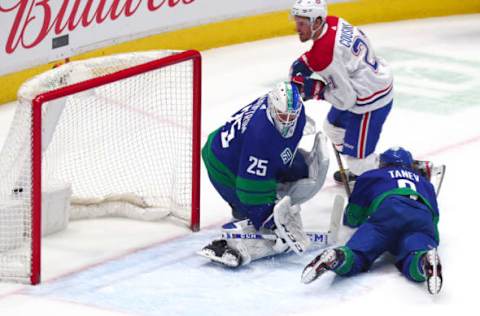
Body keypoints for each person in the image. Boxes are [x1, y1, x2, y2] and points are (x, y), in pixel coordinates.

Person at [199, 82, 330, 267]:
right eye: (283, 116)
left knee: (299, 170)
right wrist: (270, 221)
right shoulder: (260, 138)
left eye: (292, 116)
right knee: (251, 211)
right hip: (222, 164)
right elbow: (250, 190)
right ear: (272, 108)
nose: (288, 121)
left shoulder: (287, 108)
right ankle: (239, 222)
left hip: (245, 150)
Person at [301, 147, 443, 295]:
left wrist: (357, 219)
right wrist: (430, 239)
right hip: (421, 216)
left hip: (387, 213)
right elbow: (435, 218)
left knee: (358, 255)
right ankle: (423, 260)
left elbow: (353, 215)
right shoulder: (426, 184)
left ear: (383, 164)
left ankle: (339, 257)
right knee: (413, 253)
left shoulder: (372, 175)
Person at [289, 0, 393, 183]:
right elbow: (332, 52)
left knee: (358, 162)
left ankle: (398, 172)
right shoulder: (334, 21)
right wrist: (307, 61)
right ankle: (363, 167)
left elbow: (346, 100)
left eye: (302, 23)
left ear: (317, 22)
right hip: (371, 79)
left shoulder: (325, 56)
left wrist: (317, 91)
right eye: (297, 22)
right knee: (333, 128)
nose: (297, 28)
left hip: (369, 100)